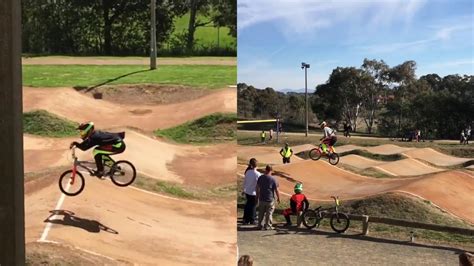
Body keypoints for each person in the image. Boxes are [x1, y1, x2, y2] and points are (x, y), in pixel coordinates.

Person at [256, 165, 280, 230]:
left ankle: (259, 225)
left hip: (261, 198)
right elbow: (276, 190)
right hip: (270, 199)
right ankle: (267, 225)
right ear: (271, 170)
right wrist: (278, 198)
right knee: (269, 213)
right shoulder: (273, 179)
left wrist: (257, 196)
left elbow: (257, 188)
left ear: (265, 169)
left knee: (261, 213)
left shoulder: (261, 177)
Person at [242, 158, 261, 225]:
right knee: (253, 206)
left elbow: (245, 181)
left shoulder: (247, 172)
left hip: (247, 191)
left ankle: (245, 219)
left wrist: (244, 189)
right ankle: (252, 219)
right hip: (254, 193)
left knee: (248, 205)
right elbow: (259, 184)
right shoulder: (258, 174)